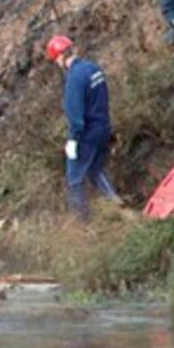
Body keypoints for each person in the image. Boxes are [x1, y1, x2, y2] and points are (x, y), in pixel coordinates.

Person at [46, 35, 121, 220]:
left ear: (60, 57)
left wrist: (73, 139)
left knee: (75, 178)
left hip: (87, 134)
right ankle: (116, 204)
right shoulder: (93, 68)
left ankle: (81, 223)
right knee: (95, 169)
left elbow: (76, 116)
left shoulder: (74, 79)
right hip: (103, 127)